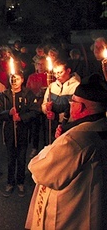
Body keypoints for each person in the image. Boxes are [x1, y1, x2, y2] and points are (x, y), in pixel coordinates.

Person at [25, 74, 107, 229]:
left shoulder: (75, 141)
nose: (70, 105)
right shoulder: (100, 129)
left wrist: (54, 146)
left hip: (67, 216)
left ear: (81, 107)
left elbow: (41, 170)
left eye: (73, 102)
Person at [0, 71, 39, 197]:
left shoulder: (28, 94)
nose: (14, 81)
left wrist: (22, 117)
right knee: (10, 160)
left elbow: (35, 111)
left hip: (23, 132)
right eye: (12, 78)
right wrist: (8, 113)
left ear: (22, 80)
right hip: (9, 132)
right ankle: (10, 182)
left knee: (21, 159)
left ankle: (20, 182)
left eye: (17, 79)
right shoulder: (4, 95)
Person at [42, 59, 80, 143]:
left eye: (60, 72)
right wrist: (46, 109)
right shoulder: (52, 86)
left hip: (67, 126)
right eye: (55, 73)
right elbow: (44, 104)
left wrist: (57, 116)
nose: (57, 76)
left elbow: (75, 110)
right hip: (51, 125)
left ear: (68, 71)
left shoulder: (76, 87)